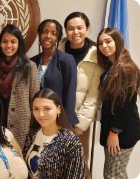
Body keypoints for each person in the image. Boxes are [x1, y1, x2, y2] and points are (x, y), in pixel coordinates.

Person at [58, 12, 104, 178]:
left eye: (80, 28)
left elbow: (93, 96)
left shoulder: (96, 56)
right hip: (55, 120)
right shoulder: (57, 51)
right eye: (70, 28)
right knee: (57, 164)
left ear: (87, 29)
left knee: (79, 166)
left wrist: (80, 125)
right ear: (65, 31)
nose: (75, 32)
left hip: (79, 123)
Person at [97, 28, 140, 179]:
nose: (104, 46)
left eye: (108, 41)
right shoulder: (112, 66)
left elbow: (125, 104)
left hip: (122, 131)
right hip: (114, 128)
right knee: (113, 173)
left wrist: (114, 132)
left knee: (114, 175)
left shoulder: (124, 67)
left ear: (118, 41)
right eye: (101, 43)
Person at [0, 24, 39, 149]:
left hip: (20, 122)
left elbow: (35, 97)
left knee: (17, 158)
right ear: (0, 44)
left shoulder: (29, 66)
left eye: (13, 41)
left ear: (19, 44)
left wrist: (34, 124)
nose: (8, 45)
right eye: (5, 41)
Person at [23, 88, 85, 179]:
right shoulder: (32, 134)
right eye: (36, 109)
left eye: (47, 109)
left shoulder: (70, 142)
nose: (41, 114)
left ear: (59, 109)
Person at [30, 19, 79, 131]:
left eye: (53, 33)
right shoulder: (32, 62)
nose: (48, 36)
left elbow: (70, 94)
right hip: (36, 119)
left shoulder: (66, 60)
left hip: (57, 121)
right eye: (44, 32)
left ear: (57, 38)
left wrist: (67, 124)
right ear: (39, 34)